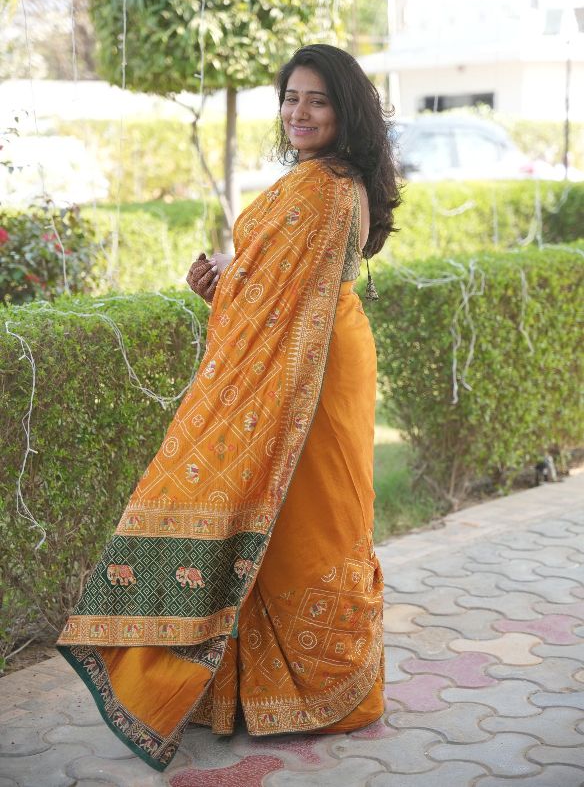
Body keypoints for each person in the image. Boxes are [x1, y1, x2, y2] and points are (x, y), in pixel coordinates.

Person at [56, 43, 401, 772]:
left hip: (315, 370)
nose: (300, 112)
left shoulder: (325, 188)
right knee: (282, 520)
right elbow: (275, 285)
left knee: (313, 523)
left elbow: (285, 293)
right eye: (291, 98)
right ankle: (260, 692)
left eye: (317, 100)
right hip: (316, 349)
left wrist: (234, 284)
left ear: (345, 112)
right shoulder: (318, 179)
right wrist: (228, 284)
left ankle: (325, 686)